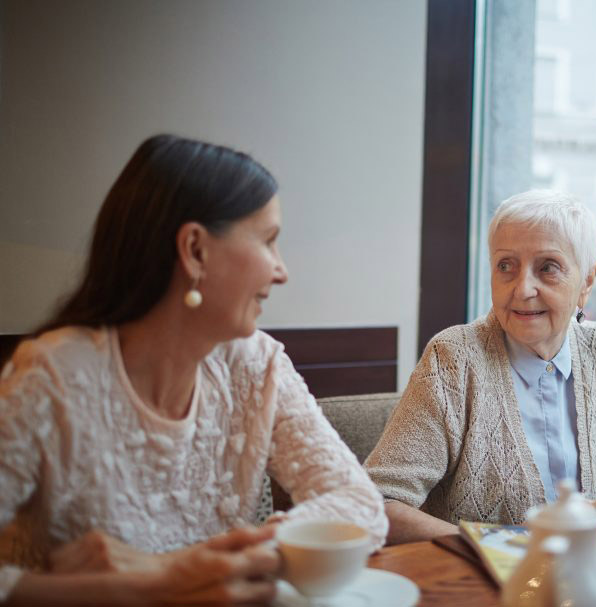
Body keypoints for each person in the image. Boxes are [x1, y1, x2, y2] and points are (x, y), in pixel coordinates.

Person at [0, 135, 387, 605]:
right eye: (268, 241)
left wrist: (181, 566)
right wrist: (154, 584)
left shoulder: (256, 363)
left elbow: (362, 506)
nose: (281, 271)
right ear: (195, 250)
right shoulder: (52, 378)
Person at [364, 190, 596, 544]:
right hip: (485, 589)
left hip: (594, 577)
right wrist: (496, 550)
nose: (523, 288)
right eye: (506, 266)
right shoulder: (453, 359)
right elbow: (377, 503)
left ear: (587, 281)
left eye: (547, 267)